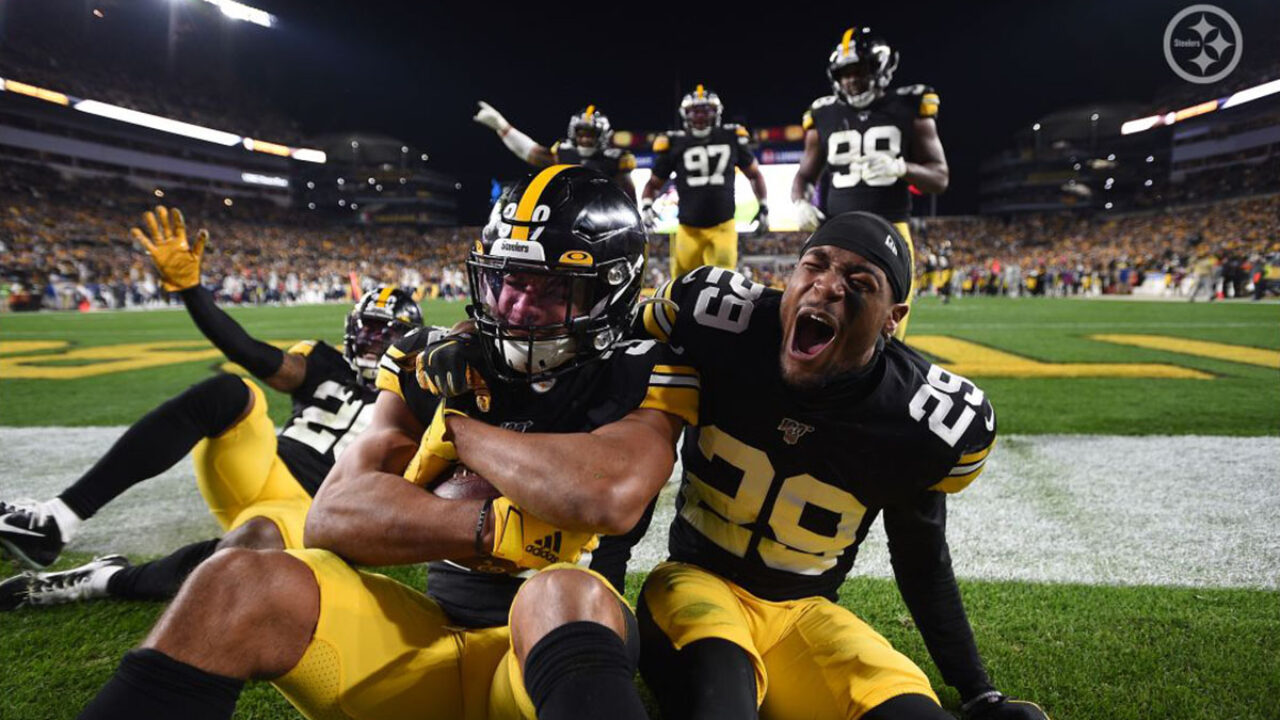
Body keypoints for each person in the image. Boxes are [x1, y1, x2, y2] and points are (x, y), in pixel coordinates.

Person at [75, 166, 699, 720]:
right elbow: (333, 518)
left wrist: (458, 429)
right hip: (427, 638)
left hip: (555, 654)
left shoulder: (645, 367)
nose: (518, 305)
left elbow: (606, 495)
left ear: (614, 290)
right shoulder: (430, 358)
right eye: (509, 279)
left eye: (553, 288)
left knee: (558, 590)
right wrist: (495, 529)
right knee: (235, 576)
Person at [636, 212, 1049, 720]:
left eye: (859, 282)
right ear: (790, 276)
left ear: (892, 317)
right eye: (815, 266)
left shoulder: (916, 416)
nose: (827, 287)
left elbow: (921, 561)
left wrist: (977, 690)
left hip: (807, 613)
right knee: (720, 699)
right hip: (695, 583)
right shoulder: (718, 323)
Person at [0, 205, 421, 609]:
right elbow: (250, 352)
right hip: (260, 468)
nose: (370, 345)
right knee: (231, 391)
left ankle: (101, 580)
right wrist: (191, 292)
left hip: (312, 509)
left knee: (253, 552)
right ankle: (57, 519)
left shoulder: (419, 400)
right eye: (365, 332)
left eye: (384, 335)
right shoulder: (323, 361)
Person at [791, 27, 949, 338]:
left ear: (881, 68)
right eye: (844, 73)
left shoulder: (909, 105)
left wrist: (902, 167)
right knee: (824, 325)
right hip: (837, 232)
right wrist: (799, 202)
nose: (851, 80)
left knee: (886, 333)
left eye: (859, 70)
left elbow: (939, 177)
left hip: (889, 230)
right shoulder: (823, 113)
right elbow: (804, 175)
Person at [640, 84, 768, 279]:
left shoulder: (731, 137)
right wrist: (647, 206)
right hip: (688, 228)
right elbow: (653, 183)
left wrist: (764, 206)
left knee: (722, 283)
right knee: (681, 287)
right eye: (695, 111)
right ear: (686, 114)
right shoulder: (675, 142)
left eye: (705, 111)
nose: (700, 116)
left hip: (723, 226)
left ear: (716, 113)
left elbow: (754, 174)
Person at [474, 101, 637, 198]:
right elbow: (530, 152)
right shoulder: (565, 152)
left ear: (602, 135)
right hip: (566, 214)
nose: (585, 139)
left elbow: (629, 198)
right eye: (581, 133)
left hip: (603, 216)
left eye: (591, 134)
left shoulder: (616, 159)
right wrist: (503, 127)